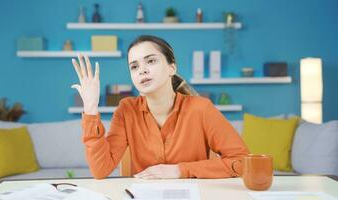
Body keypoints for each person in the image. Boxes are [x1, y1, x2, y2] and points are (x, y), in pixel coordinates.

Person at [71, 35, 249, 179]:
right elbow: (100, 170)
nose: (142, 70)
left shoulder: (201, 108)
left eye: (151, 61)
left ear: (172, 68)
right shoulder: (126, 110)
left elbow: (243, 162)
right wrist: (91, 108)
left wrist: (180, 170)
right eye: (134, 66)